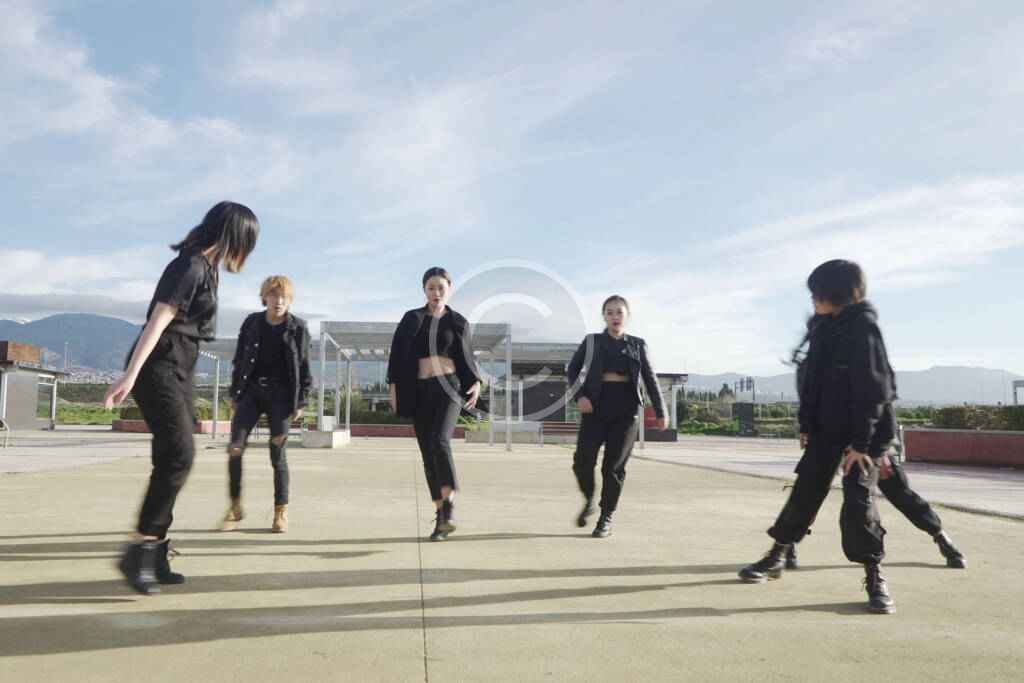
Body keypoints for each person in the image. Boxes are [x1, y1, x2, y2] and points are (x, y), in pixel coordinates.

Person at [105, 201, 259, 595]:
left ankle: (155, 551)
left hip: (181, 365)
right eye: (248, 240)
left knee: (172, 456)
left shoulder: (207, 267)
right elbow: (158, 319)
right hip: (159, 363)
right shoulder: (190, 266)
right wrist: (131, 374)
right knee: (179, 455)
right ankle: (138, 549)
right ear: (233, 235)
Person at [737, 259, 901, 614]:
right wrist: (806, 425)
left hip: (866, 433)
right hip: (827, 427)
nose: (813, 299)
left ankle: (874, 574)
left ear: (839, 294)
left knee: (858, 503)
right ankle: (778, 554)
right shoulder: (822, 328)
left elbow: (874, 390)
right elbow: (811, 382)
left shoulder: (864, 329)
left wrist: (861, 445)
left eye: (818, 293)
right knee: (806, 490)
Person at [386, 267, 482, 541]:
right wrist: (393, 389)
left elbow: (468, 358)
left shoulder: (458, 322)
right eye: (431, 288)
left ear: (449, 289)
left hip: (449, 388)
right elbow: (396, 356)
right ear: (424, 290)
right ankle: (441, 517)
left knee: (440, 441)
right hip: (418, 391)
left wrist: (476, 381)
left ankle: (449, 507)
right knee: (428, 454)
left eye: (441, 287)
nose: (436, 292)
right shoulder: (412, 319)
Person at [566, 295, 667, 538]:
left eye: (619, 312)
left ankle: (606, 516)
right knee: (582, 461)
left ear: (627, 316)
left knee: (613, 467)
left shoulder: (638, 345)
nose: (615, 317)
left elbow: (650, 379)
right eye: (609, 312)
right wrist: (580, 396)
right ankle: (589, 498)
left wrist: (661, 411)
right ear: (604, 316)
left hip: (626, 412)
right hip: (595, 409)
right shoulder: (592, 342)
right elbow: (572, 370)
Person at [221, 275, 311, 533]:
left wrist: (301, 401)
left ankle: (280, 512)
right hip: (250, 393)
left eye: (283, 297)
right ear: (265, 298)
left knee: (277, 453)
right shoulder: (251, 323)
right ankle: (234, 506)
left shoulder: (298, 328)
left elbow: (304, 366)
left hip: (281, 397)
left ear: (289, 300)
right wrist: (235, 394)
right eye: (273, 295)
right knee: (235, 447)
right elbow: (239, 360)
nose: (278, 301)